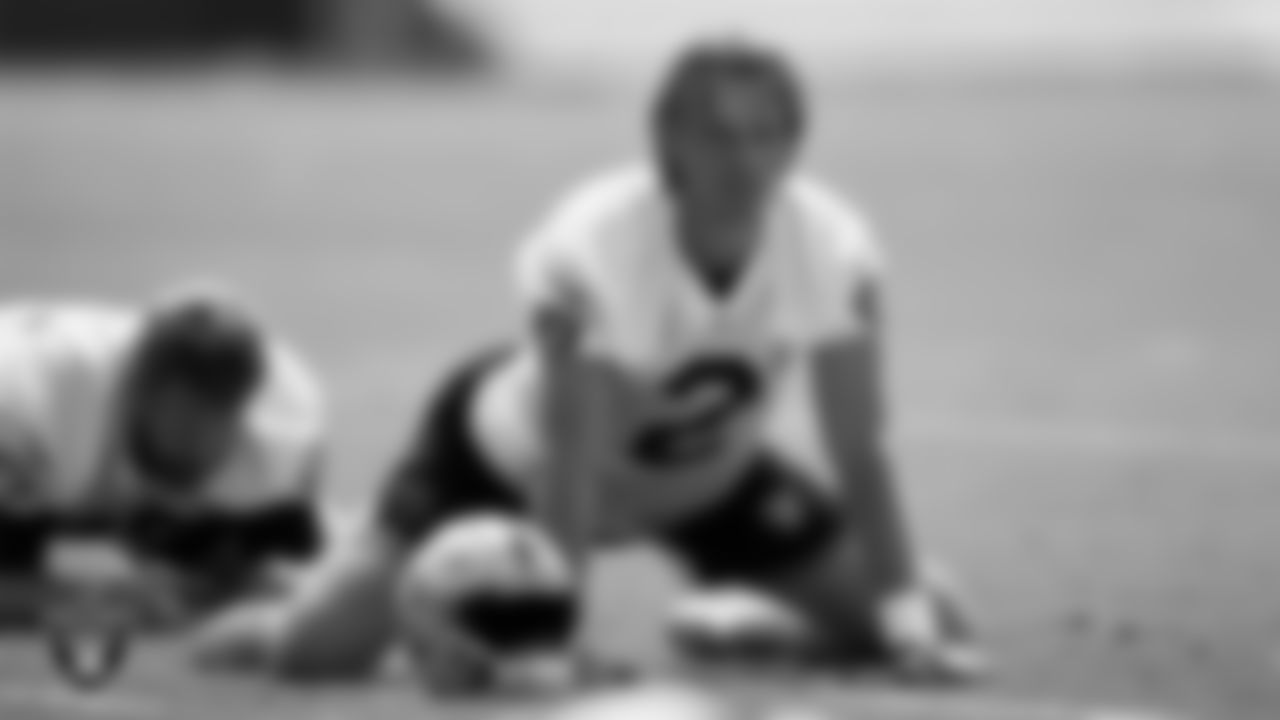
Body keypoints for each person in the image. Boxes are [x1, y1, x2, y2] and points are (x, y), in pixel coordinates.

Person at [194, 35, 983, 685]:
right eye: (719, 134)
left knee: (934, 616)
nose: (745, 161)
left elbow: (860, 449)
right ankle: (272, 597)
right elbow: (570, 458)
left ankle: (746, 619)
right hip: (507, 469)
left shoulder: (835, 250)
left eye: (766, 134)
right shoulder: (593, 249)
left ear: (793, 143)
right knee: (316, 651)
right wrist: (553, 643)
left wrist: (909, 632)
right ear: (670, 143)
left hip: (709, 481)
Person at [0, 284, 328, 630]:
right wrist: (100, 597)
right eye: (184, 426)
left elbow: (295, 588)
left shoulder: (283, 437)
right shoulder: (25, 408)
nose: (199, 440)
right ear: (135, 391)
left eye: (218, 421)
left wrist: (239, 583)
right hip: (30, 453)